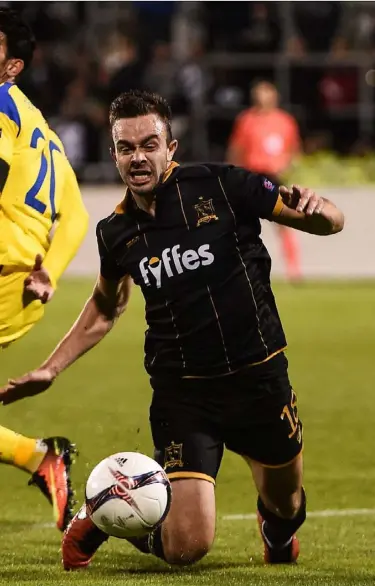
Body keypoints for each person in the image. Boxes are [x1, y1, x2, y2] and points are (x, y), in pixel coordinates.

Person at [0, 90, 344, 569]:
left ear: (171, 147)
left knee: (287, 506)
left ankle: (278, 535)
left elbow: (330, 222)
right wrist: (50, 369)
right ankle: (100, 515)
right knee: (187, 547)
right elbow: (105, 307)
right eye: (125, 148)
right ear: (114, 153)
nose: (137, 157)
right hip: (184, 393)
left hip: (259, 377)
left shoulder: (223, 185)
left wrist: (320, 207)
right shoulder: (115, 232)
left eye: (148, 144)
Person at [0, 8, 89, 531]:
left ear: (11, 67)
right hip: (22, 282)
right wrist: (51, 271)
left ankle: (40, 458)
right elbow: (75, 214)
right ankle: (39, 458)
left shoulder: (2, 105)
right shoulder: (43, 130)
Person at [227, 80, 302, 282]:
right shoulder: (247, 120)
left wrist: (287, 165)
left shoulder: (284, 121)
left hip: (273, 177)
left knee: (284, 221)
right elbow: (236, 149)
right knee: (240, 223)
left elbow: (293, 150)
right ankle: (237, 268)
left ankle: (293, 268)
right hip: (252, 176)